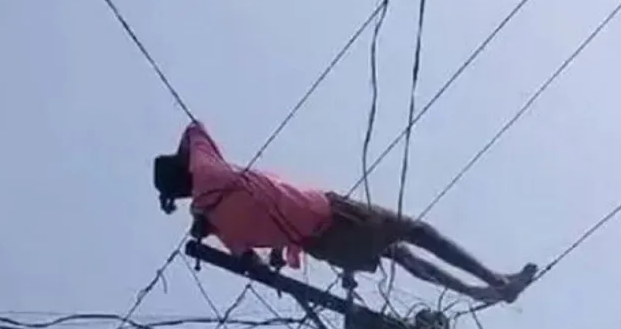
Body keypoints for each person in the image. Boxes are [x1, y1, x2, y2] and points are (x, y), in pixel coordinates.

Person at [152, 121, 538, 304]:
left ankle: (476, 292)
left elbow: (252, 262)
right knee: (417, 233)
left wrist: (268, 250)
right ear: (186, 169)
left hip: (327, 247)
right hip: (334, 214)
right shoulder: (207, 170)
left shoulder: (224, 230)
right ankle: (495, 282)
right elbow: (194, 130)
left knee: (400, 255)